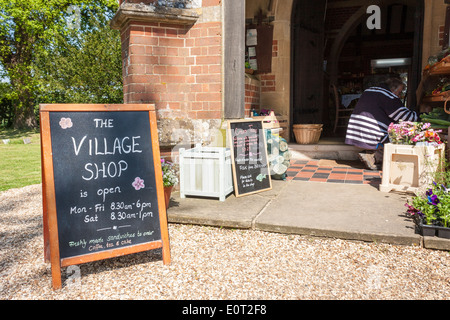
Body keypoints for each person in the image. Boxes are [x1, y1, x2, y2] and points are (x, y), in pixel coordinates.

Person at [345, 76, 418, 170]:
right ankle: (374, 155)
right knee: (399, 134)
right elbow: (405, 117)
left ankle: (371, 152)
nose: (399, 96)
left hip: (355, 134)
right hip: (369, 135)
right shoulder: (389, 96)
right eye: (399, 93)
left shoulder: (369, 90)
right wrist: (422, 115)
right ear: (393, 89)